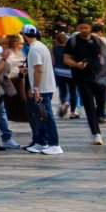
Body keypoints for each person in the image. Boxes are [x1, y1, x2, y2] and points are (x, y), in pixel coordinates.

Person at [64, 21, 106, 144]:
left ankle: (98, 118)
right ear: (78, 28)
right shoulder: (72, 41)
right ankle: (96, 133)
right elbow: (66, 59)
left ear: (90, 28)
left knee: (101, 102)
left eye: (86, 27)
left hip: (98, 77)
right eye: (81, 27)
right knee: (89, 106)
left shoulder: (97, 40)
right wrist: (76, 65)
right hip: (81, 78)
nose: (83, 30)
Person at [21, 26, 62, 154]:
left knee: (46, 115)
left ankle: (54, 144)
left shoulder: (34, 49)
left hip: (42, 88)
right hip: (46, 85)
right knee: (41, 116)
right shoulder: (41, 46)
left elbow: (39, 69)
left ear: (24, 35)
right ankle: (42, 142)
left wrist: (36, 89)